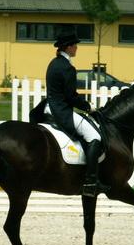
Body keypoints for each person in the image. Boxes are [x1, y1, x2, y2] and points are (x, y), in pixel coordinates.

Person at [31, 31, 110, 197]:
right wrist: (88, 106)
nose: (77, 48)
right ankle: (91, 181)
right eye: (75, 45)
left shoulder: (53, 63)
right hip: (61, 110)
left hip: (49, 107)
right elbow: (70, 96)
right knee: (94, 136)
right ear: (68, 47)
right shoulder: (67, 68)